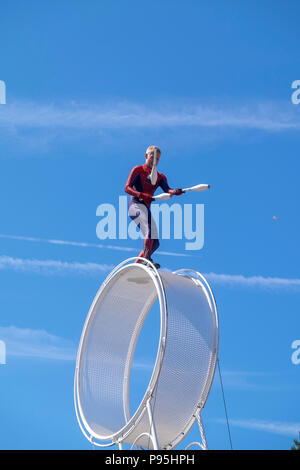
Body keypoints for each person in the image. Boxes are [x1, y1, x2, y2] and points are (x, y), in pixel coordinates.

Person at [124, 145, 183, 269]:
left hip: (146, 208)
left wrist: (175, 192)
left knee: (155, 243)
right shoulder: (138, 170)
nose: (155, 161)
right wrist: (142, 195)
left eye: (157, 159)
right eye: (153, 157)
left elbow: (168, 190)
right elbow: (127, 188)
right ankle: (146, 260)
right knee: (149, 232)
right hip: (135, 205)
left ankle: (136, 266)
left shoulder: (160, 177)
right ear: (146, 156)